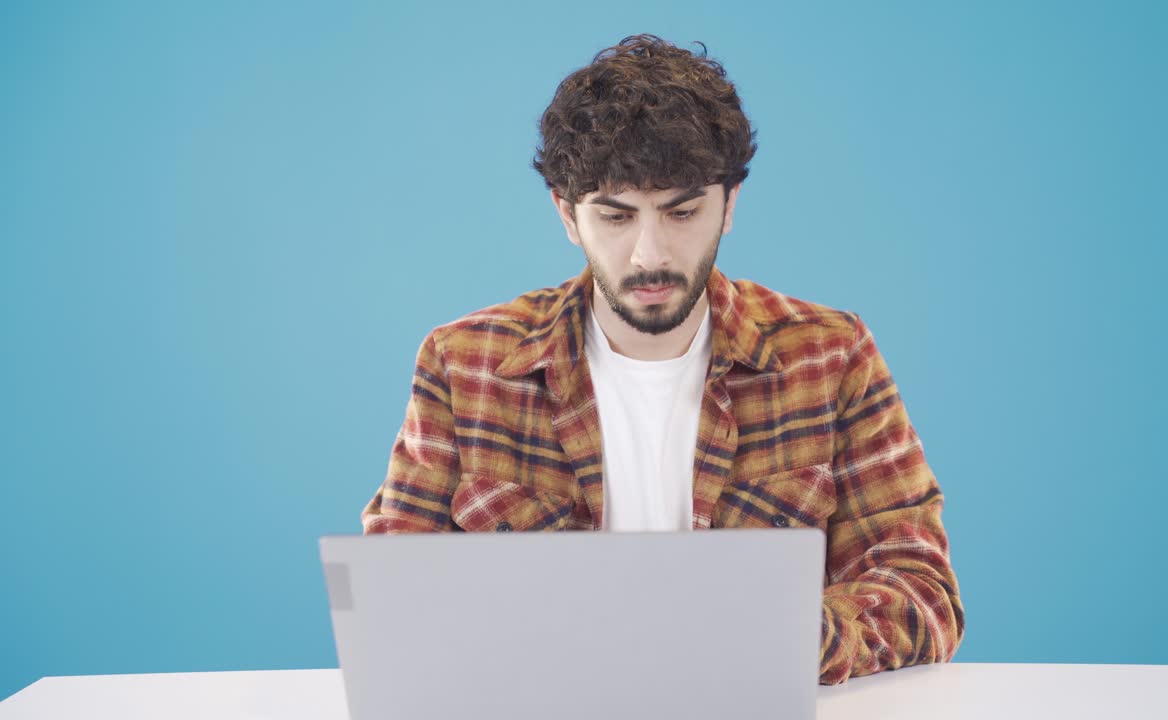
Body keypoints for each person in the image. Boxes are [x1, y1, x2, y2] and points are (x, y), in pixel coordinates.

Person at [361, 33, 965, 685]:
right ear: (568, 216)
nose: (650, 254)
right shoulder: (464, 365)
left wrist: (770, 635)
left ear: (729, 204)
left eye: (681, 212)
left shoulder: (830, 355)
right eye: (616, 217)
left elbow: (921, 592)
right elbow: (393, 601)